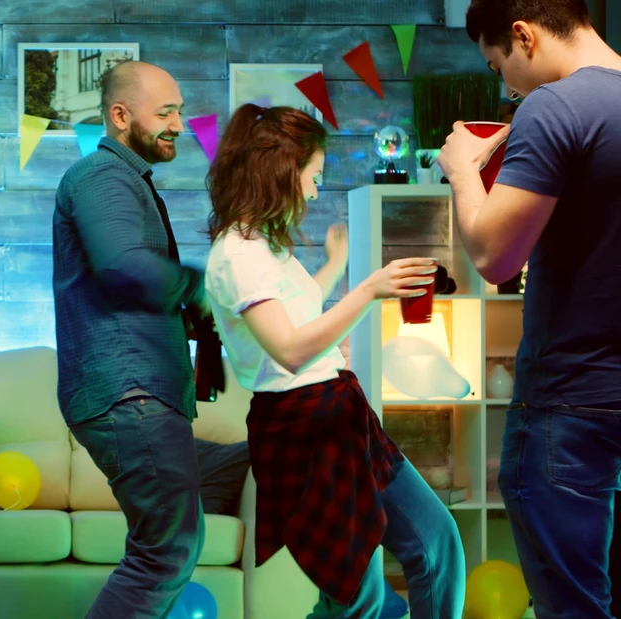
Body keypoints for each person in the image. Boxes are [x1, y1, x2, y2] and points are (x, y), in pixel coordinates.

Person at [203, 103, 467, 617]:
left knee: (437, 542)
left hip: (340, 413)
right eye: (314, 176)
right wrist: (367, 290)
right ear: (282, 172)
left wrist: (335, 268)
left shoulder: (264, 245)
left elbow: (295, 317)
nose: (314, 190)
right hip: (303, 431)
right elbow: (290, 349)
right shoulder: (237, 254)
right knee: (356, 598)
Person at [441, 0, 621, 617]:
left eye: (498, 69)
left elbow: (492, 255)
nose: (508, 89)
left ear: (524, 36)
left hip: (569, 403)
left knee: (573, 605)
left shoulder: (555, 105)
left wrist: (462, 170)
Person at [52, 60, 208, 618]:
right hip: (129, 393)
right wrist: (199, 284)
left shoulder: (125, 180)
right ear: (120, 116)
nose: (180, 125)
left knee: (169, 542)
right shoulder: (101, 177)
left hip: (140, 392)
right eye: (165, 112)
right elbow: (122, 269)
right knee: (166, 550)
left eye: (181, 112)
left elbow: (132, 284)